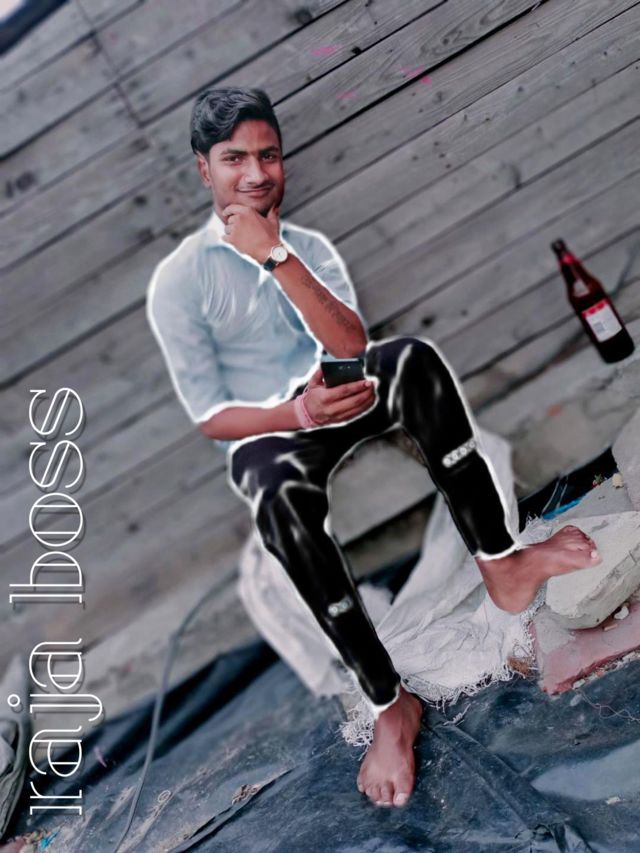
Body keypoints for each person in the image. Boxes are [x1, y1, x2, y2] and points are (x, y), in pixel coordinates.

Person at [146, 86, 603, 810]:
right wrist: (293, 411)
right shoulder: (178, 282)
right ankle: (390, 703)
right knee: (279, 505)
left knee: (412, 360)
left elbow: (350, 345)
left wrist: (275, 257)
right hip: (268, 433)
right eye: (235, 159)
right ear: (205, 168)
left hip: (334, 395)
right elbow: (213, 419)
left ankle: (503, 564)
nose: (256, 173)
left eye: (268, 155)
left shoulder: (307, 249)